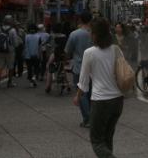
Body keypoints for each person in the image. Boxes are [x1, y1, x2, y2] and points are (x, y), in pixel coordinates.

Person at [74, 17, 124, 158]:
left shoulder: (89, 53)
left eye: (91, 32)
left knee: (96, 141)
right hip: (118, 101)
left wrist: (77, 96)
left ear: (95, 35)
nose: (90, 34)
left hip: (101, 101)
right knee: (107, 138)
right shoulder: (116, 49)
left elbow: (83, 82)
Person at [65, 11, 93, 127]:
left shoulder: (74, 34)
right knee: (91, 93)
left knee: (82, 93)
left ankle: (87, 118)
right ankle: (92, 117)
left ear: (80, 20)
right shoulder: (94, 34)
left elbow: (68, 51)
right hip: (94, 67)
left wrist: (66, 60)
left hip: (79, 66)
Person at [0, 15, 20, 89]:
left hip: (0, 51)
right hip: (10, 51)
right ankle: (10, 82)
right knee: (10, 66)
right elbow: (15, 43)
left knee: (0, 66)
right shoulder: (12, 30)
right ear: (11, 21)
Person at [45, 22, 68, 93]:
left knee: (49, 67)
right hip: (63, 55)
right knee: (63, 69)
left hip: (54, 54)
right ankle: (67, 85)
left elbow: (48, 44)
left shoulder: (52, 36)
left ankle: (48, 86)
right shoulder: (64, 36)